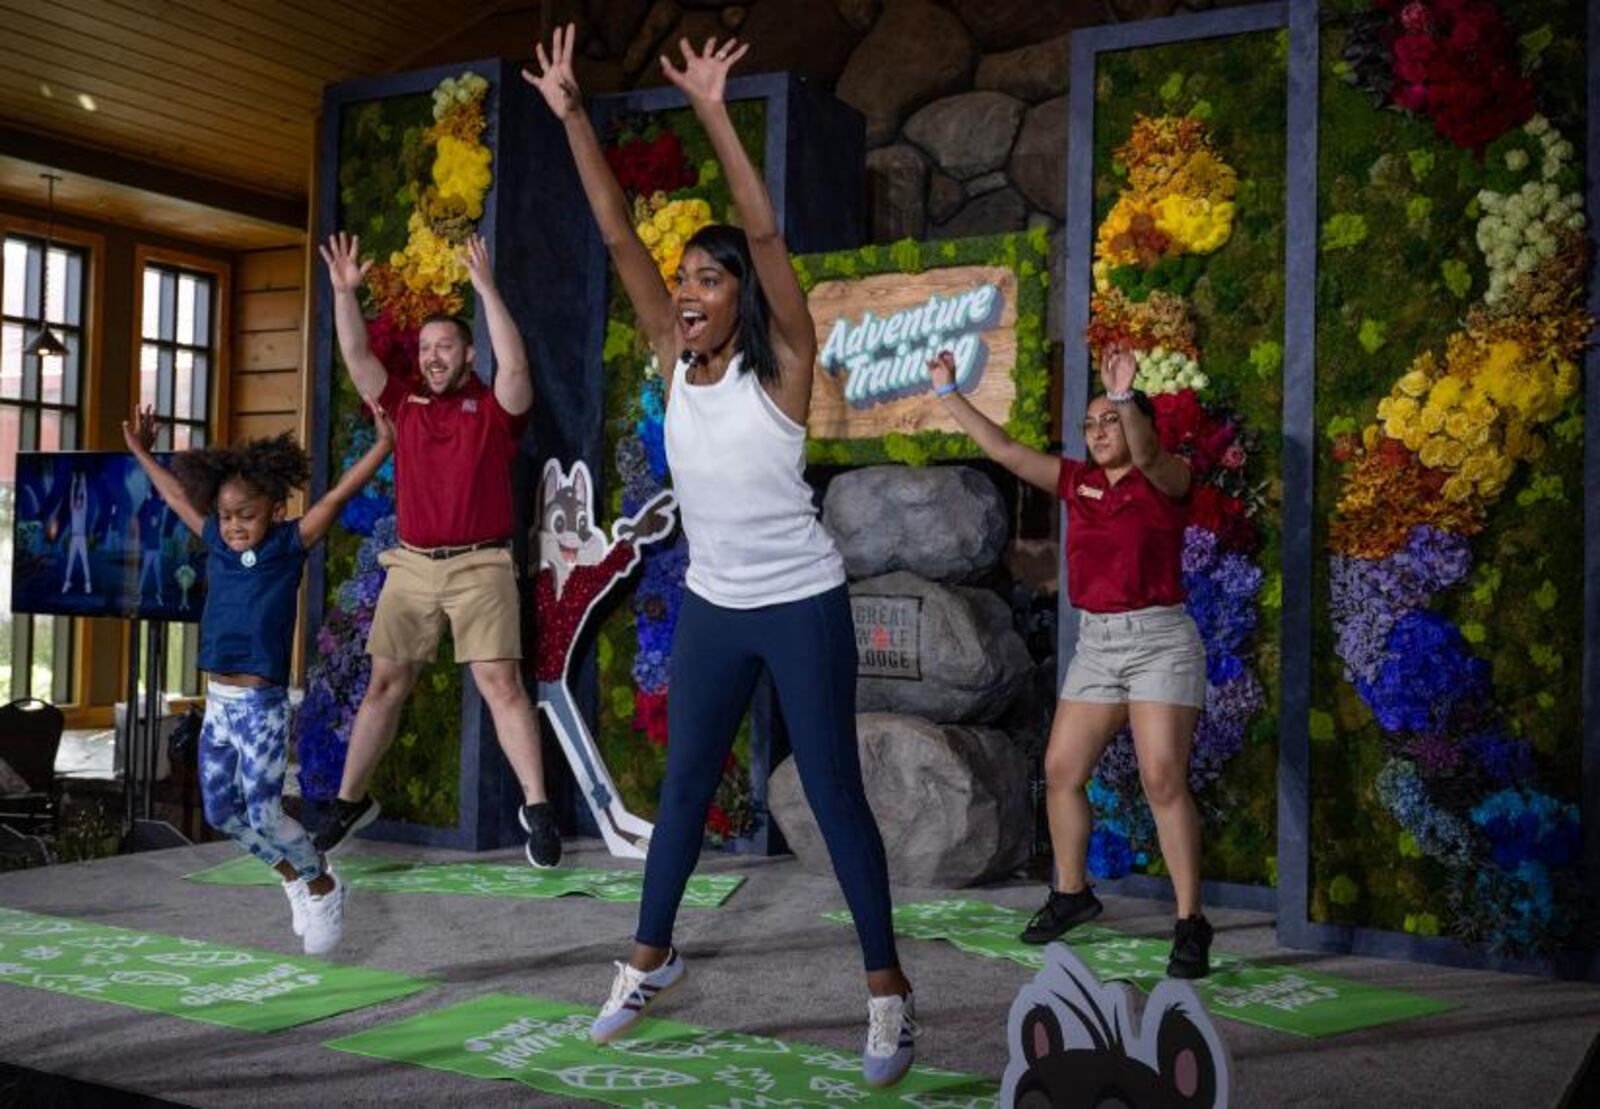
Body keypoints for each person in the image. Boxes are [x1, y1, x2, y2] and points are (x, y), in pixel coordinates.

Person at [526, 26, 917, 1086]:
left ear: (741, 293)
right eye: (683, 277)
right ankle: (648, 959)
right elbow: (615, 238)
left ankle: (886, 992)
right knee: (684, 787)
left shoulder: (784, 362)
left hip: (799, 601)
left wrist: (711, 106)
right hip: (713, 602)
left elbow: (767, 229)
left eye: (708, 276)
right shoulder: (671, 355)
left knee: (834, 794)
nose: (688, 288)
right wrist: (569, 113)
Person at [929, 342, 1214, 979]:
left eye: (1110, 418)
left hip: (1158, 641)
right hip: (1098, 644)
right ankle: (1070, 892)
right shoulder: (1076, 482)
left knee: (1162, 777)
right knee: (1060, 769)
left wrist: (1120, 397)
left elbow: (1145, 453)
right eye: (1090, 424)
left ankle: (1191, 922)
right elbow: (1003, 450)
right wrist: (950, 392)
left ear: (1138, 421)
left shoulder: (1167, 477)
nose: (1099, 430)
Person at [312, 233, 561, 868]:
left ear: (466, 352)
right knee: (384, 684)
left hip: (482, 563)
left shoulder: (493, 409)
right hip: (413, 563)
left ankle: (538, 810)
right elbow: (356, 353)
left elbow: (518, 369)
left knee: (500, 682)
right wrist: (344, 294)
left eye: (444, 346)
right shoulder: (403, 404)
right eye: (424, 349)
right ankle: (349, 801)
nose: (432, 357)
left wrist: (485, 288)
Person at [122, 402, 394, 955]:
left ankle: (321, 879)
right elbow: (175, 495)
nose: (235, 525)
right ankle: (291, 876)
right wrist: (142, 453)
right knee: (223, 813)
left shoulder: (288, 544)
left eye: (246, 514)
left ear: (273, 508)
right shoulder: (218, 545)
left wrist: (384, 445)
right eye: (226, 515)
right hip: (217, 702)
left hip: (261, 706)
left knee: (265, 811)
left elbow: (337, 497)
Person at [61, 471, 91, 594]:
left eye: (80, 500)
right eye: (77, 500)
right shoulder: (73, 510)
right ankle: (67, 582)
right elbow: (71, 495)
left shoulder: (83, 510)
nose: (78, 501)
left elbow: (86, 497)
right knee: (70, 561)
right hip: (74, 538)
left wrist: (83, 483)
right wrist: (73, 483)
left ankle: (88, 583)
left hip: (82, 538)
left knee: (85, 561)